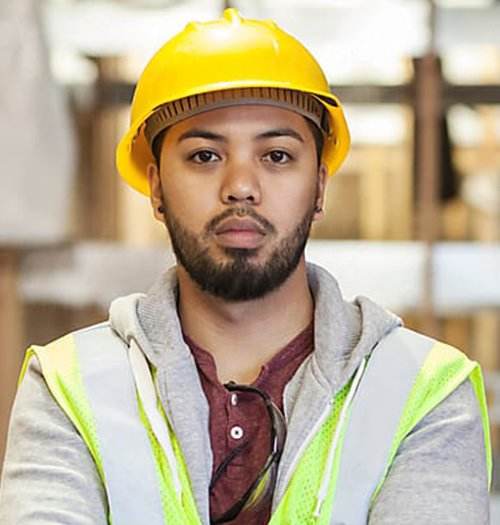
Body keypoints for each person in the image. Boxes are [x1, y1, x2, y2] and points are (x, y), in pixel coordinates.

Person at [0, 8, 492, 525]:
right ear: (157, 187)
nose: (240, 186)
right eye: (204, 156)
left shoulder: (423, 389)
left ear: (319, 187)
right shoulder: (69, 386)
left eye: (276, 156)